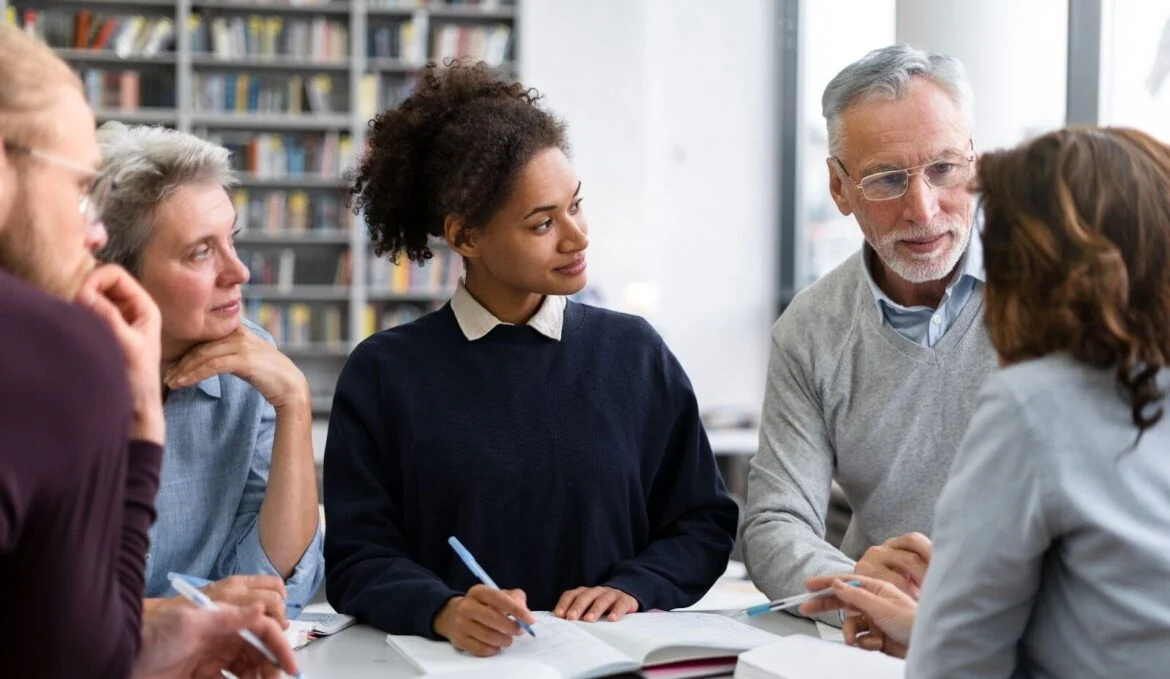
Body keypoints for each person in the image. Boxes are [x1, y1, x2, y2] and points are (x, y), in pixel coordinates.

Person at [324, 61, 739, 657]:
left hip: (613, 662)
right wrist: (441, 609)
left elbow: (701, 522)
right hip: (457, 667)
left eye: (575, 205)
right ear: (465, 237)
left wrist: (636, 588)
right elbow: (358, 558)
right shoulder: (386, 373)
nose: (577, 236)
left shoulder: (635, 353)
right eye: (543, 222)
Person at [800, 126, 1170, 678]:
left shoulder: (1035, 405)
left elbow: (956, 669)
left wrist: (937, 640)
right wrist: (931, 632)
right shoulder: (1141, 387)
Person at [0, 24, 299, 678]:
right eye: (79, 188)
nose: (93, 226)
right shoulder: (54, 356)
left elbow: (281, 588)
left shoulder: (243, 367)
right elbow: (78, 646)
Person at [741, 43, 997, 620]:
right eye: (885, 180)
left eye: (943, 169)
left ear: (975, 165)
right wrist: (856, 588)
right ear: (839, 188)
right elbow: (775, 523)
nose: (924, 211)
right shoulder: (809, 331)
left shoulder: (1060, 291)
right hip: (874, 642)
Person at [94, 122, 325, 621]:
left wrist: (295, 403)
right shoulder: (46, 379)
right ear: (118, 276)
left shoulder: (253, 366)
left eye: (231, 240)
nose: (238, 271)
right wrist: (170, 615)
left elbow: (272, 583)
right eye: (201, 251)